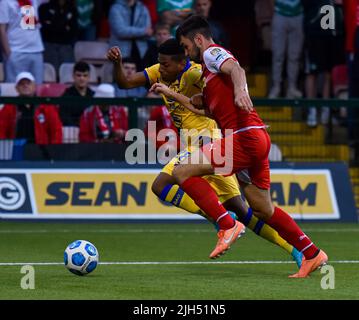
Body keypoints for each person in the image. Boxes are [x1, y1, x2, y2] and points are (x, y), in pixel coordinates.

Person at [153, 15, 327, 278]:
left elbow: (236, 68)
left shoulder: (212, 52)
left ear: (198, 40)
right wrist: (171, 93)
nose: (187, 53)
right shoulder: (211, 80)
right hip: (256, 139)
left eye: (187, 47)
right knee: (262, 208)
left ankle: (226, 224)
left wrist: (240, 91)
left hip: (244, 137)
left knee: (181, 172)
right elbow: (200, 108)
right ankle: (312, 253)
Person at [107, 38, 304, 267]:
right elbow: (125, 82)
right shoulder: (160, 72)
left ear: (182, 64)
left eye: (165, 65)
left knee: (162, 185)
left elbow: (229, 78)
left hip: (210, 142)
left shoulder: (198, 73)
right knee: (242, 210)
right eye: (159, 64)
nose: (160, 69)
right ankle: (291, 248)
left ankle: (221, 220)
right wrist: (118, 63)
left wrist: (237, 93)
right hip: (199, 146)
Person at [0, 71, 62, 144]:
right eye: (21, 84)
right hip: (16, 148)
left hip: (40, 149)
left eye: (28, 83)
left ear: (34, 86)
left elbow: (56, 130)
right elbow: (1, 130)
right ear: (16, 88)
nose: (25, 86)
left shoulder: (46, 106)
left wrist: (53, 150)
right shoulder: (9, 107)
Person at [0, 0, 44, 84]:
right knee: (13, 87)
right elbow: (1, 29)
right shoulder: (6, 2)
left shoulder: (34, 1)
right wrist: (8, 53)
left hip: (36, 50)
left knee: (37, 86)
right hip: (16, 51)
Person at [268, 0, 304, 98]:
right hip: (279, 13)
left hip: (298, 14)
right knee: (278, 54)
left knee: (294, 55)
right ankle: (276, 87)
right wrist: (274, 12)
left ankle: (292, 87)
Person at [109, 0, 153, 71]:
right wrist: (142, 31)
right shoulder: (116, 8)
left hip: (141, 53)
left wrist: (130, 31)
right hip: (121, 52)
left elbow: (149, 31)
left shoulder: (142, 8)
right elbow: (120, 31)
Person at [39, 0, 78, 72]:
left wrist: (53, 23)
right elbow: (44, 27)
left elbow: (73, 29)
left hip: (66, 45)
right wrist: (64, 26)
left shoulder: (72, 8)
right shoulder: (44, 7)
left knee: (67, 72)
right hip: (49, 44)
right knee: (51, 72)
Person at [60, 61, 95, 127]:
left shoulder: (93, 95)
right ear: (73, 76)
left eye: (85, 75)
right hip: (73, 132)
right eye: (79, 75)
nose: (82, 78)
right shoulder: (66, 96)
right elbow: (65, 119)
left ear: (89, 77)